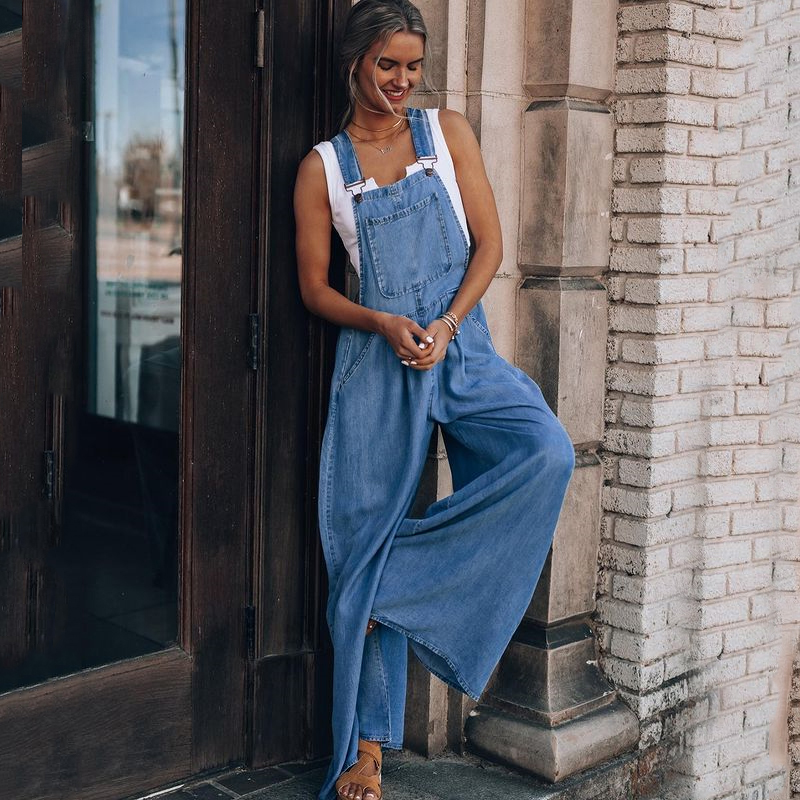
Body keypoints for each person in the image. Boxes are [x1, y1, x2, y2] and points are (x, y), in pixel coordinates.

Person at [293, 2, 576, 798]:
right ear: (356, 62)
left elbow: (490, 245)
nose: (402, 83)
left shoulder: (445, 136)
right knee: (365, 529)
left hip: (461, 345)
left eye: (414, 67)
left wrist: (448, 325)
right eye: (389, 65)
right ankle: (367, 751)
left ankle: (386, 593)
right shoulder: (323, 168)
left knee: (546, 453)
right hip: (376, 365)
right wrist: (381, 321)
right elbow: (316, 289)